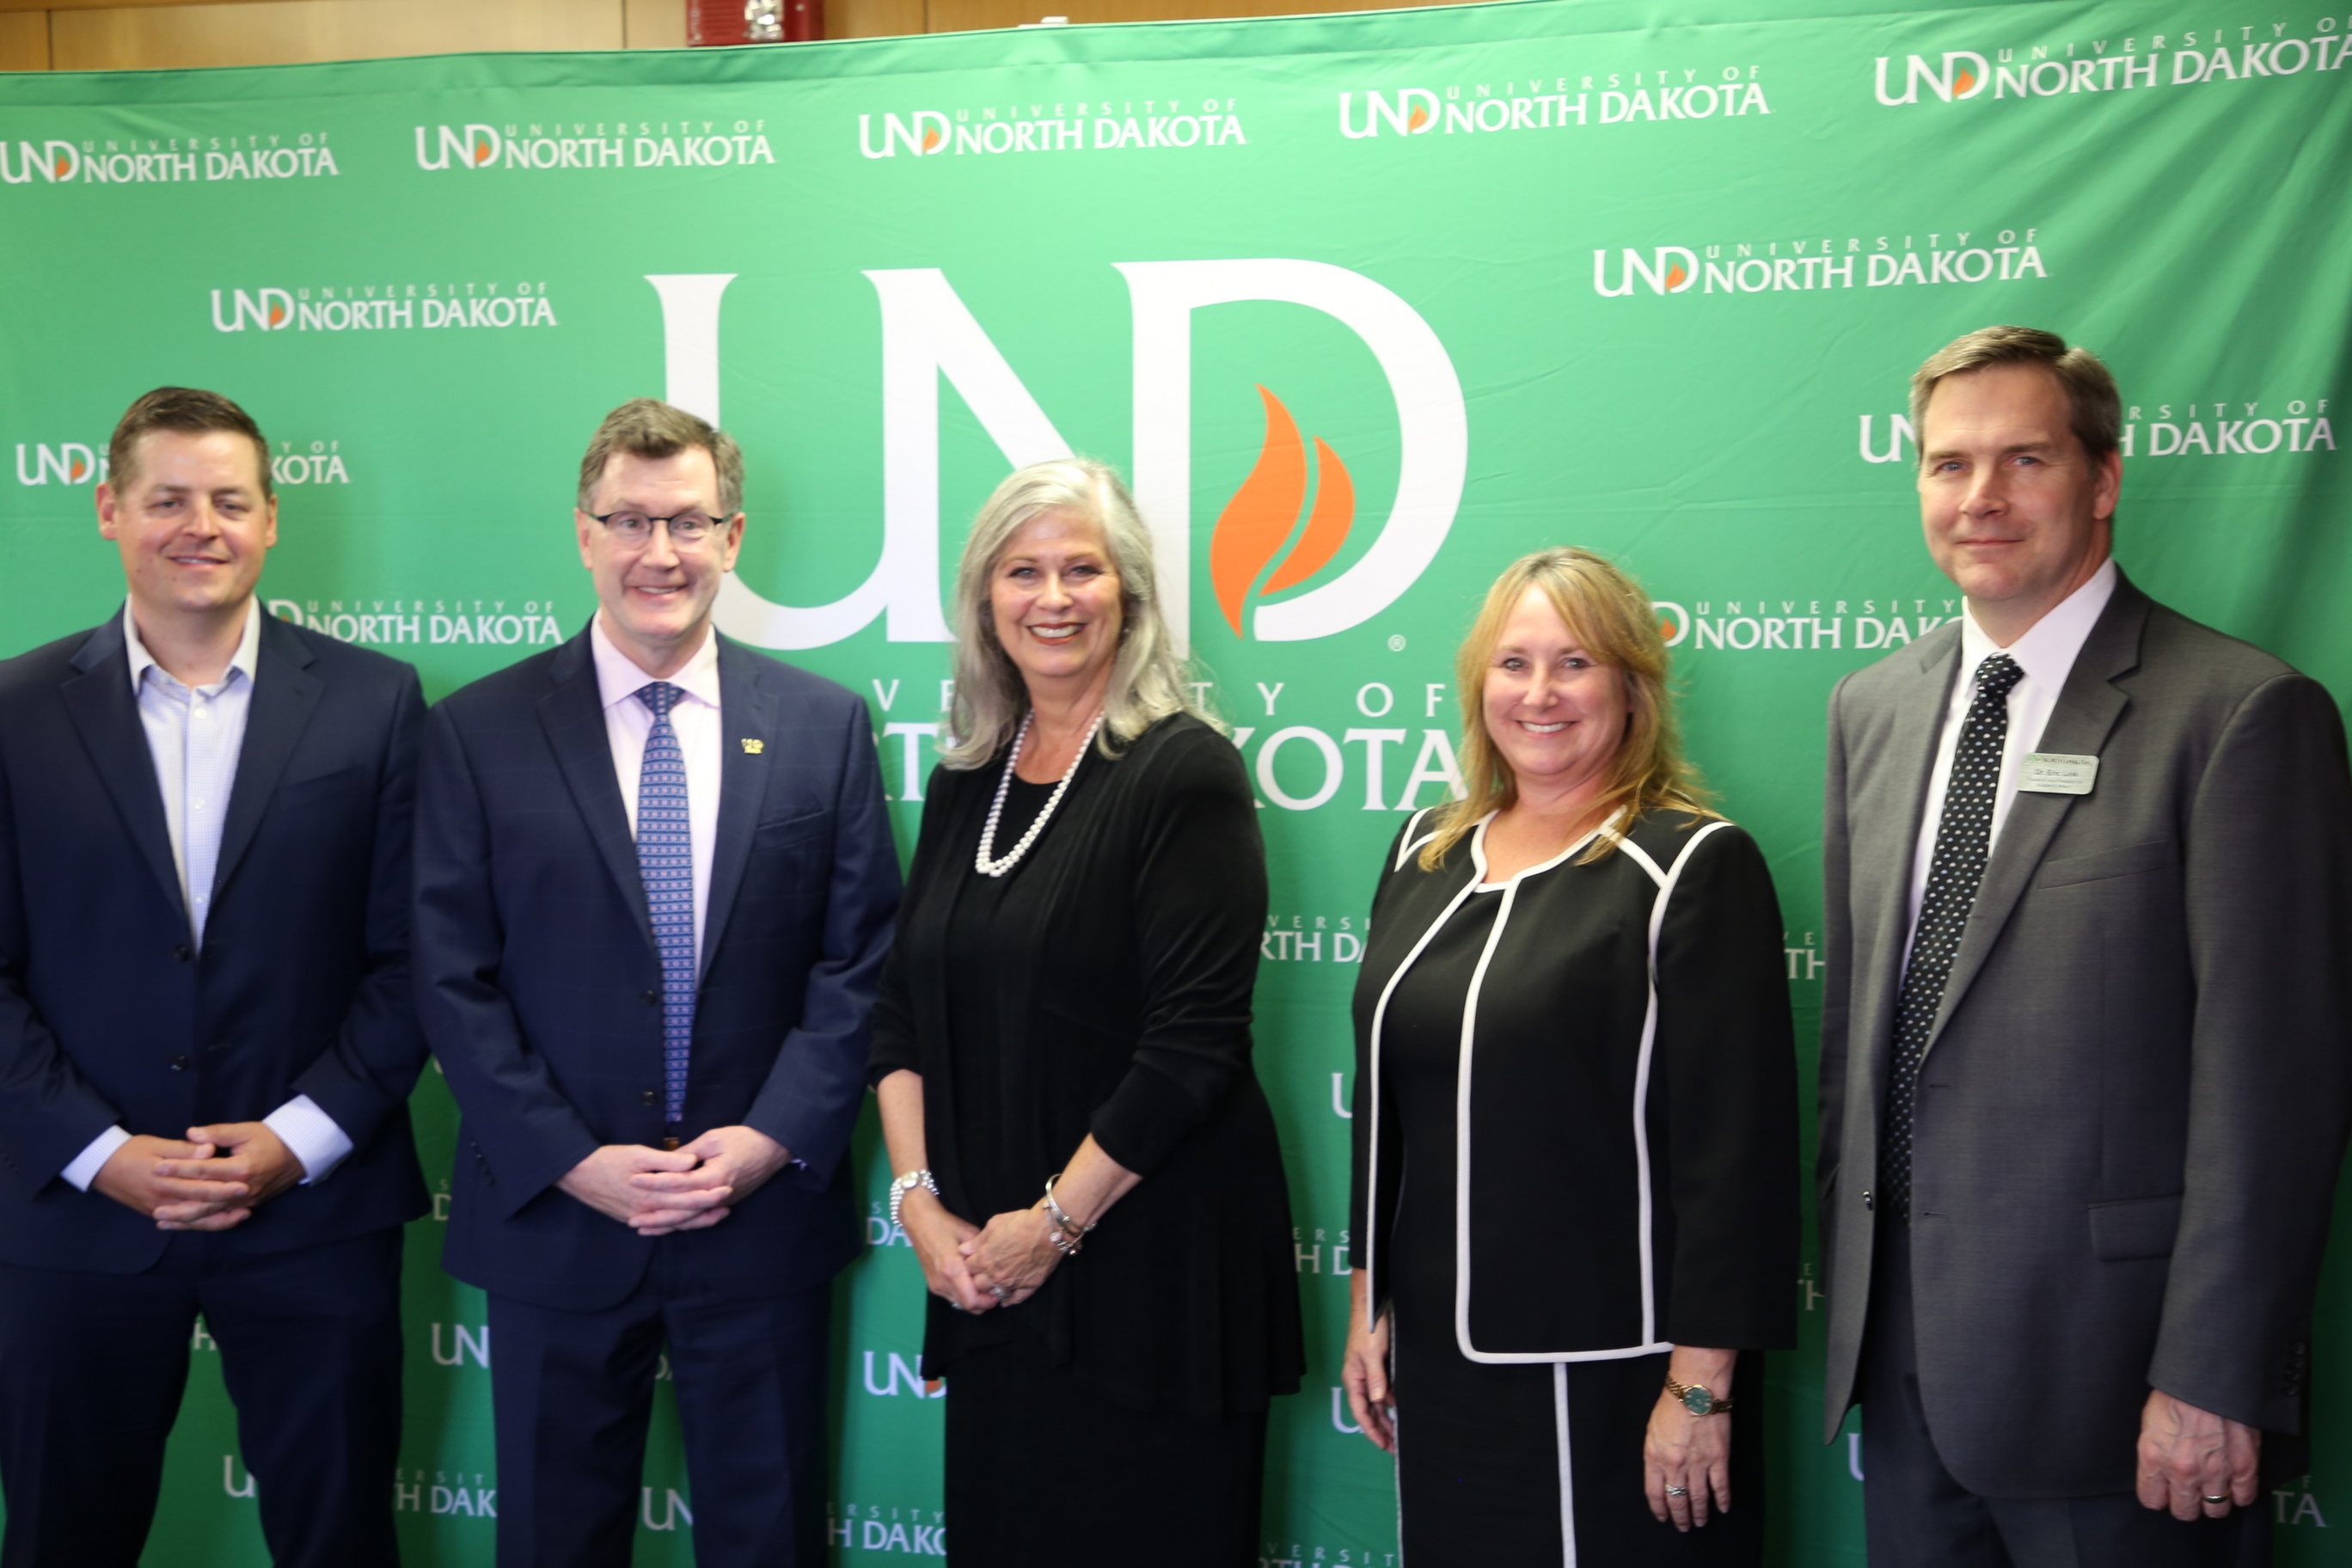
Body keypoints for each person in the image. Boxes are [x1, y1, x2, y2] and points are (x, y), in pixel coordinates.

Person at [1817, 325, 2352, 1565]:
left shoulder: (2238, 716)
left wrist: (2216, 1377)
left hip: (2123, 1393)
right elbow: (1867, 1038)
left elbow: (2275, 1090)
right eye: (1948, 466)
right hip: (1903, 1381)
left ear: (2104, 481)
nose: (1982, 499)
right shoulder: (1873, 709)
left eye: (2026, 461)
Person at [413, 398, 898, 1567]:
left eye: (689, 522)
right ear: (583, 534)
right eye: (629, 521)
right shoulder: (477, 731)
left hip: (759, 1215)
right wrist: (571, 1159)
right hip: (557, 1217)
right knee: (555, 1538)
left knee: (769, 1536)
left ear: (735, 537)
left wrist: (770, 1139)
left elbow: (861, 961)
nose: (659, 554)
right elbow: (448, 974)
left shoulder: (824, 727)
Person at [0, 387, 428, 1567]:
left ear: (273, 519)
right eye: (169, 500)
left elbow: (416, 963)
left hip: (316, 1213)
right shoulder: (13, 710)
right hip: (73, 1214)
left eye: (230, 501)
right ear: (107, 511)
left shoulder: (376, 702)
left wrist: (300, 1136)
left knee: (339, 1537)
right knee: (58, 1537)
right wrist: (102, 1153)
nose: (203, 526)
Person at [869, 456, 1302, 1567]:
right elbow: (904, 1010)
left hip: (1148, 1273)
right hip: (989, 1269)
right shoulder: (969, 775)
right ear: (984, 601)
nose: (1052, 598)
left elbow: (1193, 1049)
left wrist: (1052, 1227)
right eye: (1023, 572)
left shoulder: (1183, 773)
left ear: (1132, 599)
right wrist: (919, 1204)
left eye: (1081, 571)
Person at [1340, 546, 1798, 1565]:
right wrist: (1369, 1302)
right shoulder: (1425, 852)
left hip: (1617, 1375)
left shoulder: (1690, 864)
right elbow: (1386, 1102)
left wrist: (1699, 1388)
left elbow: (1740, 1164)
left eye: (1575, 663)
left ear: (1632, 686)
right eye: (1514, 664)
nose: (1540, 694)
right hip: (1443, 1369)